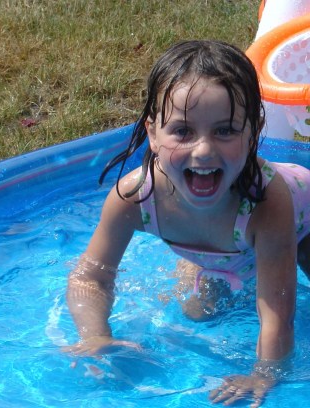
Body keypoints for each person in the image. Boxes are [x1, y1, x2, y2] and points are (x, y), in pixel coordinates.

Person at [65, 40, 310, 407]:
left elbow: (277, 312)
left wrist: (264, 373)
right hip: (227, 246)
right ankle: (204, 258)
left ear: (253, 129)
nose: (204, 150)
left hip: (302, 226)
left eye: (225, 130)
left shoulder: (268, 203)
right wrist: (95, 335)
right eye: (182, 131)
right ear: (152, 132)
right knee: (196, 314)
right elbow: (91, 276)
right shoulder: (134, 198)